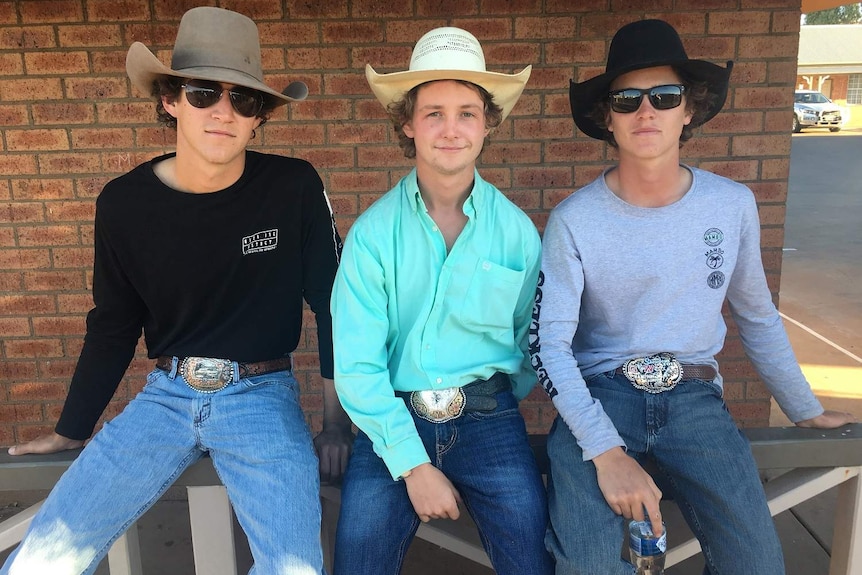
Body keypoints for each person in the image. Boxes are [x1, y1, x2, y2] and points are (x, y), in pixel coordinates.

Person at [2, 7, 352, 574]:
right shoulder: (123, 204)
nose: (223, 112)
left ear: (259, 116)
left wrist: (337, 424)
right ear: (169, 99)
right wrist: (71, 427)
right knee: (39, 563)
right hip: (163, 398)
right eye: (202, 92)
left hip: (262, 398)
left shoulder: (293, 186)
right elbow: (114, 322)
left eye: (244, 99)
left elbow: (333, 306)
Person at [530, 18, 857, 575]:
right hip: (603, 395)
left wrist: (802, 406)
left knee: (755, 565)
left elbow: (756, 313)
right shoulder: (573, 220)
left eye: (664, 96)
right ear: (607, 118)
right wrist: (606, 452)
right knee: (586, 565)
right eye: (627, 99)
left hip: (694, 398)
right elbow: (549, 345)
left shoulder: (730, 206)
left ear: (689, 109)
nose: (646, 111)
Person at [330, 27, 553, 575]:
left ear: (487, 124)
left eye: (467, 113)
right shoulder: (374, 234)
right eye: (433, 113)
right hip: (390, 418)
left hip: (489, 419)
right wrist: (411, 465)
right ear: (407, 123)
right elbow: (356, 364)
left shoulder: (517, 233)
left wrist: (491, 398)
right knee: (357, 553)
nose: (450, 129)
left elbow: (530, 340)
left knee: (531, 548)